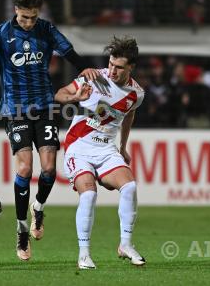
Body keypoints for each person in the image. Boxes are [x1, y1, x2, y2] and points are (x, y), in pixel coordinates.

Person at [0, 0, 100, 261]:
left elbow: (69, 53)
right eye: (24, 18)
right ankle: (21, 231)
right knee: (24, 166)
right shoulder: (1, 34)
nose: (29, 23)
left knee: (47, 169)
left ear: (38, 13)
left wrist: (86, 67)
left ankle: (39, 207)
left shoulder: (46, 29)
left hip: (44, 106)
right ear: (15, 11)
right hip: (15, 110)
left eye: (33, 17)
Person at [54, 36, 146, 269]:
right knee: (89, 194)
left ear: (131, 68)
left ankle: (125, 244)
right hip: (79, 145)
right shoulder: (93, 77)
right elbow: (60, 94)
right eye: (111, 64)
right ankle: (84, 254)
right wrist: (75, 97)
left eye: (119, 67)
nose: (113, 71)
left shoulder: (136, 94)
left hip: (106, 148)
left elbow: (129, 116)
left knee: (130, 187)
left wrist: (123, 147)